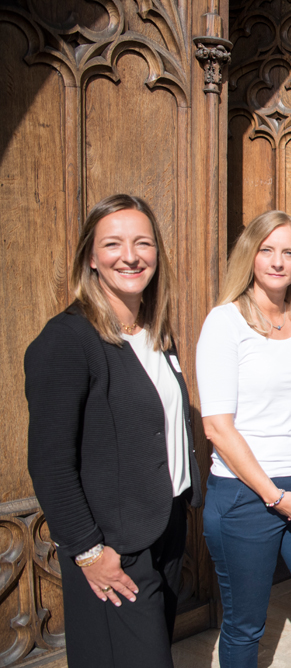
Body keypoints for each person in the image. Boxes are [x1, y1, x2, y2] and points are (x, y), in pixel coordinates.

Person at [25, 194, 202, 667]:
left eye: (143, 243)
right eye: (113, 244)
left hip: (163, 527)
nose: (130, 255)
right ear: (91, 258)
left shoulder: (155, 332)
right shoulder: (68, 339)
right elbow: (49, 460)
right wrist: (88, 551)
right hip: (112, 544)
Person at [196, 210, 291, 667]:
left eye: (290, 252)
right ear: (250, 255)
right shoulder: (225, 323)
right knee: (245, 625)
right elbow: (217, 426)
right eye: (268, 250)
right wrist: (273, 494)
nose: (278, 262)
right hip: (245, 495)